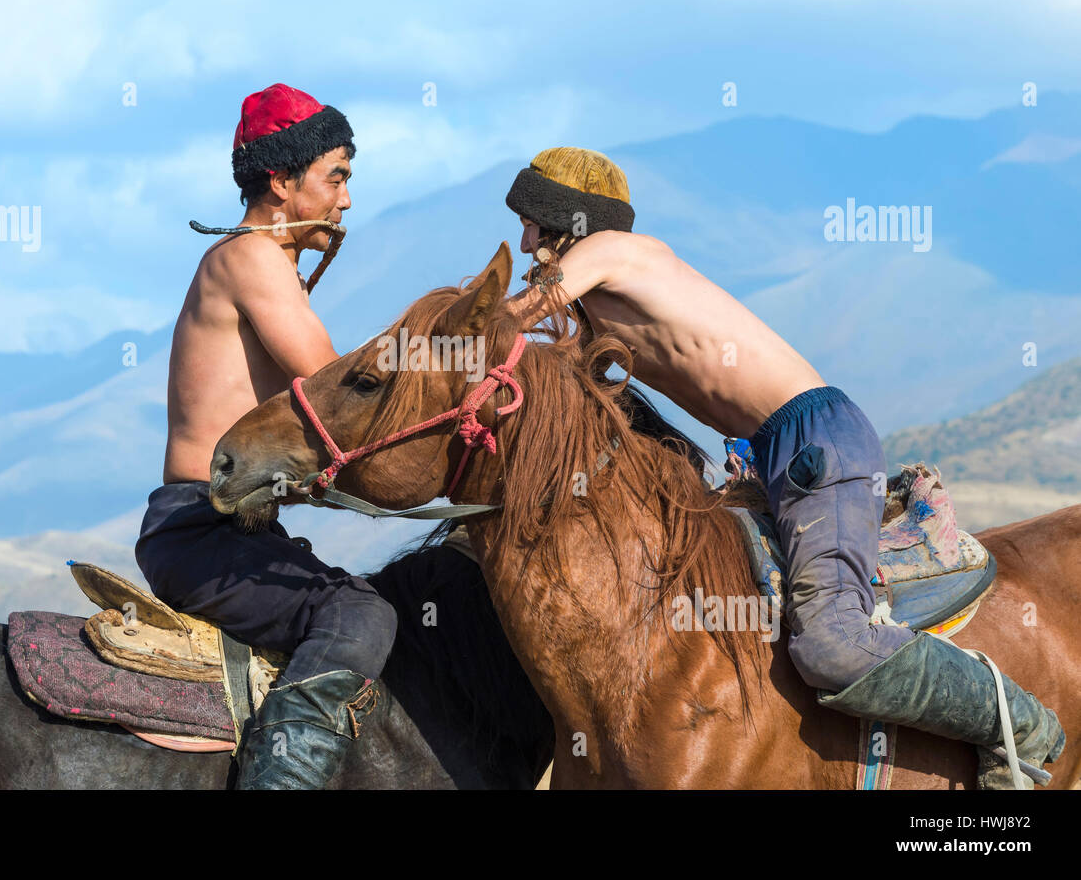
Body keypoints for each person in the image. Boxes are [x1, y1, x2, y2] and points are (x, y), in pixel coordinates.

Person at [502, 146, 1064, 789]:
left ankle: (1021, 727)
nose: (525, 242)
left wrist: (449, 335)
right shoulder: (592, 306)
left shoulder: (615, 253)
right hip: (763, 452)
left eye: (536, 224)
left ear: (572, 220)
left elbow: (509, 324)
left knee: (833, 644)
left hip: (814, 436)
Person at [134, 83, 396, 789]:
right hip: (200, 529)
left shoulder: (260, 266)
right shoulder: (252, 258)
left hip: (228, 531)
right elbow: (338, 396)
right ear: (282, 182)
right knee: (359, 612)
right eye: (335, 177)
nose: (345, 200)